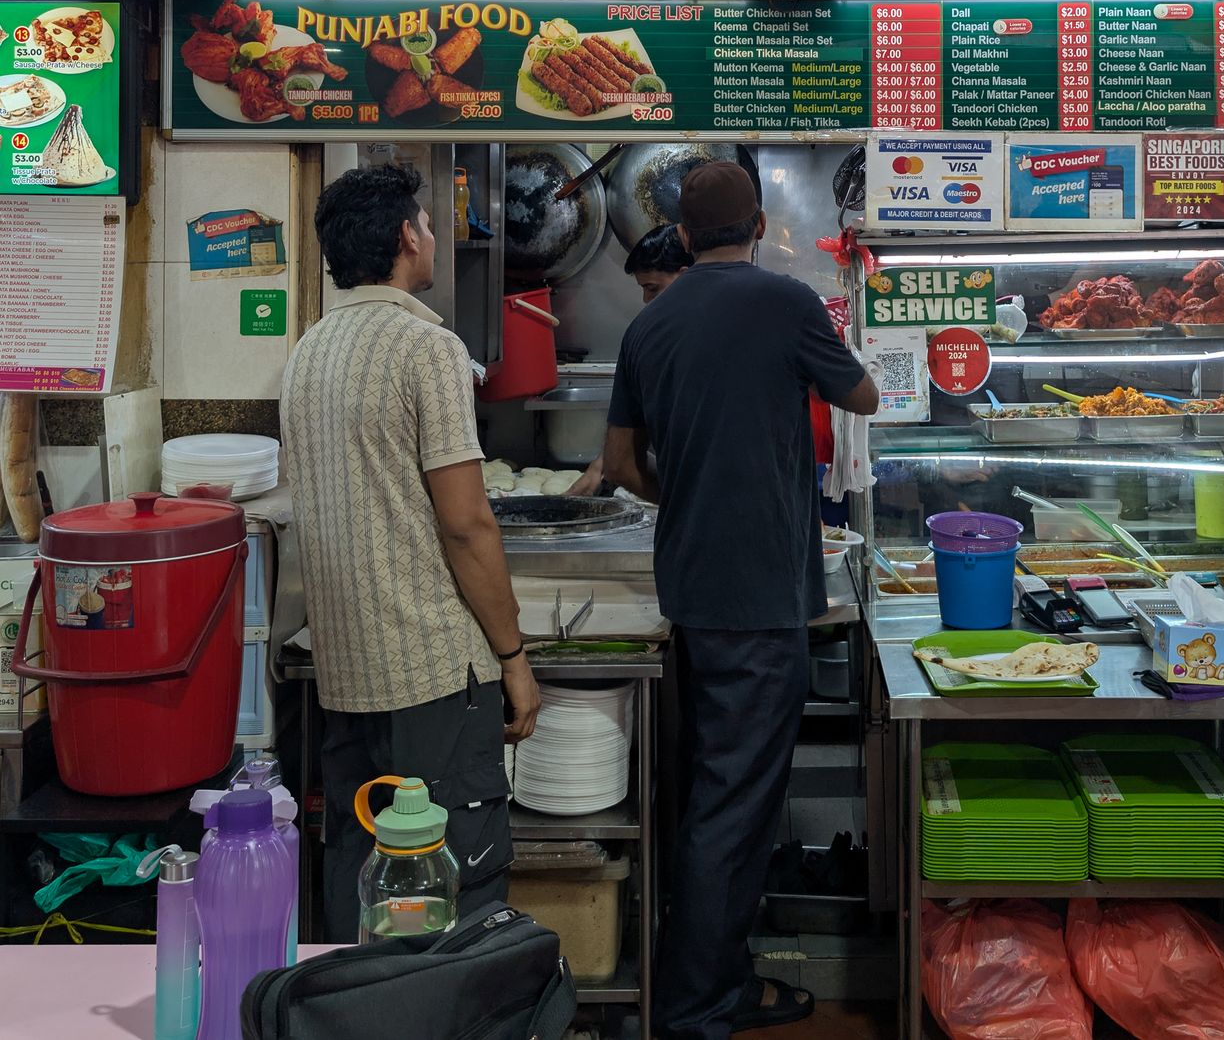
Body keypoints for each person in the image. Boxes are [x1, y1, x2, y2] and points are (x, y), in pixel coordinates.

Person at [603, 162, 879, 1040]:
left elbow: (619, 465)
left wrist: (682, 492)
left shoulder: (649, 326)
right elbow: (865, 395)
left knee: (714, 790)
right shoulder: (786, 303)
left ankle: (709, 978)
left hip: (692, 592)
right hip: (760, 595)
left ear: (683, 236)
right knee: (735, 805)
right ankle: (698, 1004)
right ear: (758, 226)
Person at [280, 165, 540, 942]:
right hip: (434, 676)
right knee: (449, 890)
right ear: (405, 237)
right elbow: (466, 524)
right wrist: (514, 658)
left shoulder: (308, 352)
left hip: (348, 674)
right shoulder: (427, 348)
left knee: (365, 883)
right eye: (427, 223)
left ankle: (362, 1004)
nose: (432, 234)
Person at [568, 225, 693, 497]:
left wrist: (679, 506)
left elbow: (621, 462)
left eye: (652, 288)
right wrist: (602, 465)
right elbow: (622, 451)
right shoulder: (652, 339)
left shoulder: (695, 339)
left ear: (685, 278)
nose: (646, 300)